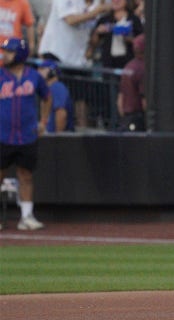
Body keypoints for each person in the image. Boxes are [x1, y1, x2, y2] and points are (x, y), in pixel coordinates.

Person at [0, 38, 51, 231]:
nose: (5, 55)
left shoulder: (34, 76)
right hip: (2, 135)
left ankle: (27, 216)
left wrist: (43, 122)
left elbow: (47, 97)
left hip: (26, 135)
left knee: (26, 175)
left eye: (9, 52)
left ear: (19, 54)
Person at [38, 0, 111, 66]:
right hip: (55, 54)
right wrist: (97, 11)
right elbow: (70, 20)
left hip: (78, 60)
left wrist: (91, 49)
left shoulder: (98, 3)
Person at [88, 0, 144, 69]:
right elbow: (93, 44)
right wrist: (97, 32)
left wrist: (128, 38)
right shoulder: (104, 19)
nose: (116, 1)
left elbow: (141, 42)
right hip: (108, 63)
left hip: (128, 62)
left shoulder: (134, 19)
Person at [117, 34, 145, 132]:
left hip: (126, 117)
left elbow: (120, 98)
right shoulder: (143, 69)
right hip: (139, 117)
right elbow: (144, 99)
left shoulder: (128, 66)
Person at [37, 60, 75, 132]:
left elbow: (61, 113)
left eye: (42, 69)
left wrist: (57, 138)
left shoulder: (57, 87)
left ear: (52, 72)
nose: (38, 72)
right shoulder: (48, 89)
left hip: (60, 138)